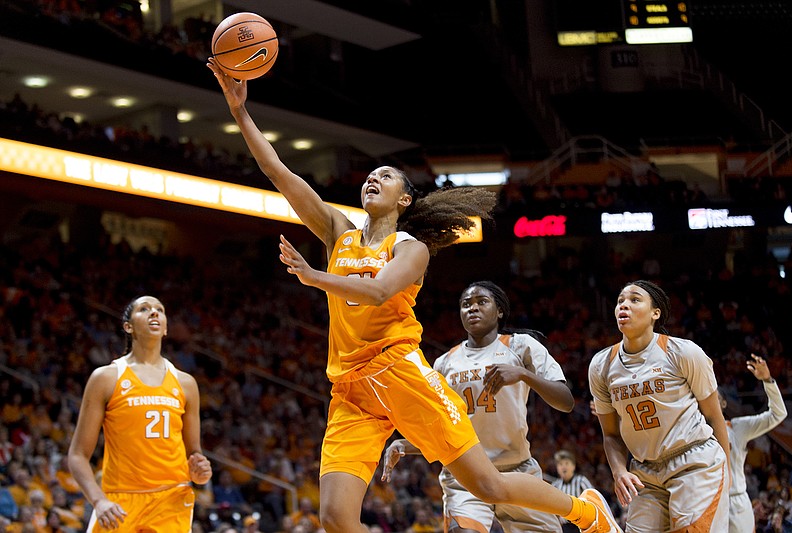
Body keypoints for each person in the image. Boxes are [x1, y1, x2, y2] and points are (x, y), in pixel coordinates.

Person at [208, 59, 623, 533]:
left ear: (404, 200)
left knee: (488, 484)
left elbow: (380, 290)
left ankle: (587, 512)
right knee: (336, 517)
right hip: (351, 388)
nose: (372, 179)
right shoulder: (338, 232)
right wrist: (240, 112)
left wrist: (314, 277)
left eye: (385, 177)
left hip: (398, 369)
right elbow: (277, 171)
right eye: (369, 175)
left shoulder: (411, 247)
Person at [382, 281, 573, 532]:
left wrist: (523, 375)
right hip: (465, 474)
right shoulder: (443, 363)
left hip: (516, 470)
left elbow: (566, 401)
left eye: (481, 302)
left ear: (500, 311)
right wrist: (403, 445)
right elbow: (442, 431)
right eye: (465, 304)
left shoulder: (519, 345)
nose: (472, 308)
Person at [588, 280, 730, 532]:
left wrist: (728, 473)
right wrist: (619, 471)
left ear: (656, 313)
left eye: (634, 300)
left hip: (694, 463)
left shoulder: (683, 352)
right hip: (645, 472)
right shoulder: (601, 365)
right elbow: (610, 434)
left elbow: (714, 416)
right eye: (620, 300)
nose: (624, 305)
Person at [67, 295, 213, 532]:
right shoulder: (106, 378)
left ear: (165, 328)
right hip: (119, 501)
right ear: (128, 326)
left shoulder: (186, 384)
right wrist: (99, 500)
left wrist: (200, 473)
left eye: (160, 310)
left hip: (172, 500)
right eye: (144, 309)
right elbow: (77, 455)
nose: (154, 312)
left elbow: (194, 454)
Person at [720, 354, 787, 533]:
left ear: (724, 403)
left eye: (715, 396)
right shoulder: (693, 431)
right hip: (708, 503)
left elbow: (777, 414)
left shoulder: (737, 427)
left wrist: (767, 380)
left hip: (736, 502)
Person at [552, 450, 596, 533]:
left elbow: (594, 498)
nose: (563, 467)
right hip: (564, 527)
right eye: (560, 464)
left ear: (573, 466)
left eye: (567, 463)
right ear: (557, 468)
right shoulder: (555, 485)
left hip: (581, 525)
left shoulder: (581, 481)